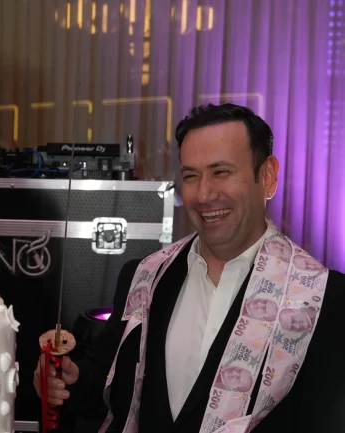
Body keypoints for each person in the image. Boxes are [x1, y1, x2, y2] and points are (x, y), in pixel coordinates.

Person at [33, 103, 345, 433]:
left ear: (267, 177)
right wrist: (69, 380)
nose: (204, 194)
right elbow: (107, 384)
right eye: (191, 176)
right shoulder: (145, 277)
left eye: (221, 172)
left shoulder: (321, 299)